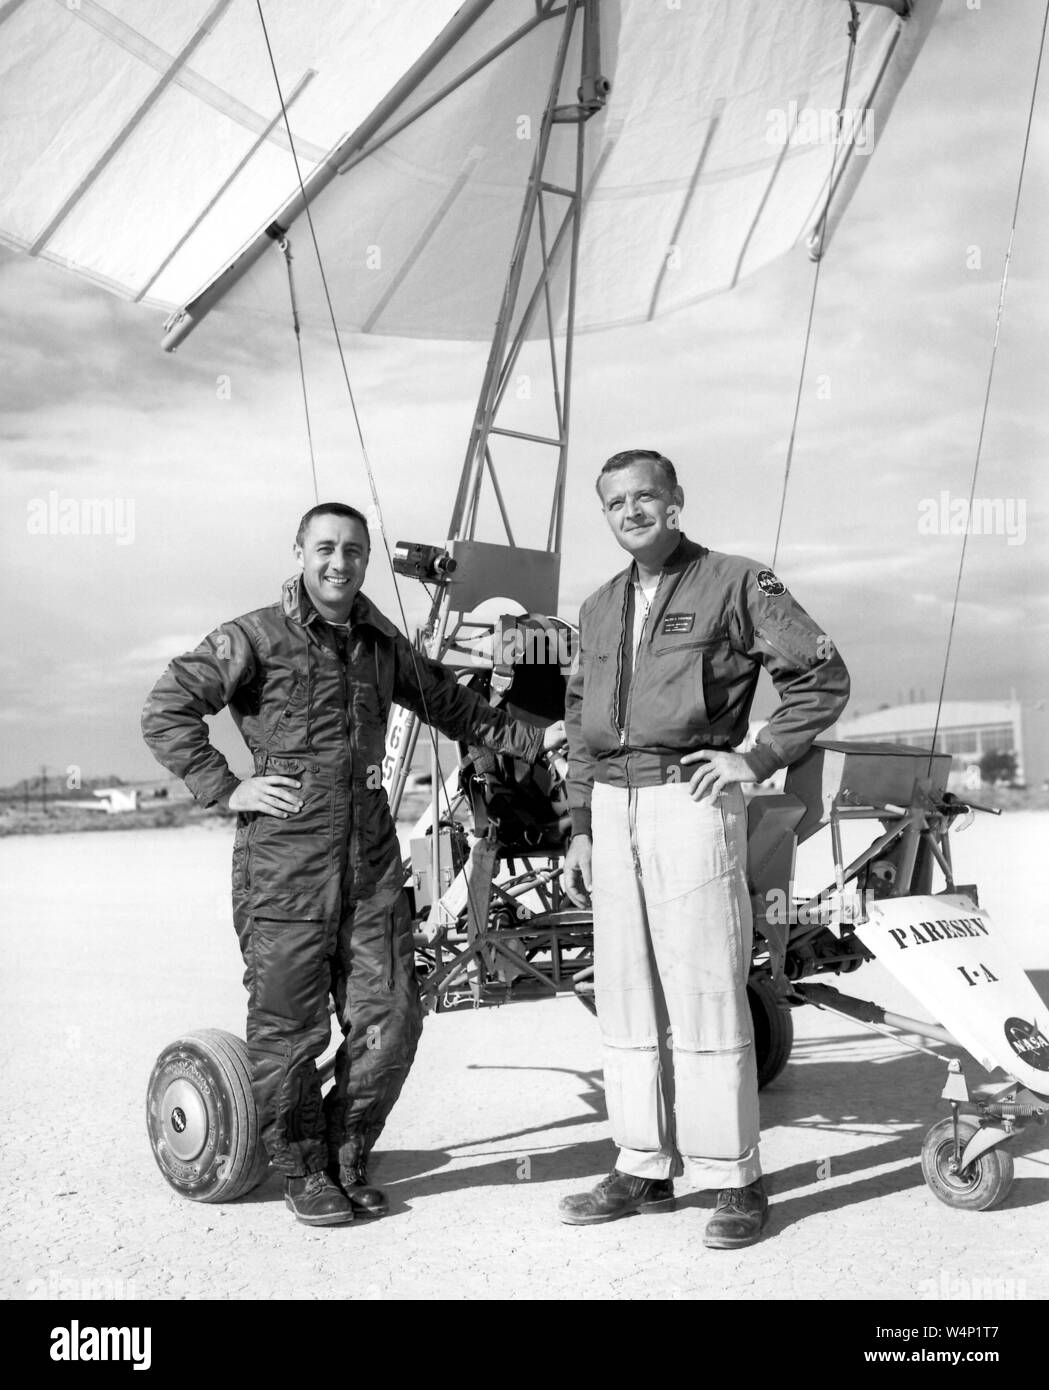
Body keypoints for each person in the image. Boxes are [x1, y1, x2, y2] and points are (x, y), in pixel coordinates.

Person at [142, 502, 565, 1227]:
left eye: (353, 551)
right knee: (289, 1028)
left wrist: (543, 739)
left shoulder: (378, 642)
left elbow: (454, 708)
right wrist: (226, 785)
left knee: (393, 1017)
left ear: (366, 559)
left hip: (370, 859)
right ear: (300, 553)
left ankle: (346, 1153)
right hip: (285, 861)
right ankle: (302, 1169)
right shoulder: (254, 636)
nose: (340, 563)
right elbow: (167, 708)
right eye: (326, 549)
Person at [559, 450, 849, 1247]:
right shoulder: (594, 607)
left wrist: (753, 759)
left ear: (675, 501)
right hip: (613, 811)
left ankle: (733, 1180)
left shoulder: (736, 582)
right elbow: (581, 721)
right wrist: (580, 826)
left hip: (688, 801)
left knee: (706, 990)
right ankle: (641, 1165)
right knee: (623, 995)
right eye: (615, 502)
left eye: (644, 496)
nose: (630, 512)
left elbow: (821, 675)